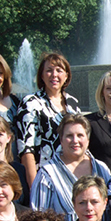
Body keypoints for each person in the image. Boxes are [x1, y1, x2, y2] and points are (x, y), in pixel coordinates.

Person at [29, 114, 111, 221]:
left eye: (80, 135)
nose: (75, 140)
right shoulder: (47, 174)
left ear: (88, 139)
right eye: (69, 136)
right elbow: (39, 218)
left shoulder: (102, 169)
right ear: (61, 140)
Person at [15, 52, 80, 185]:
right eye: (49, 70)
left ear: (66, 75)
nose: (54, 75)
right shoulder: (31, 102)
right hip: (44, 177)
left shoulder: (73, 103)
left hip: (70, 176)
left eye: (59, 70)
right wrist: (34, 186)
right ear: (42, 75)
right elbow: (26, 150)